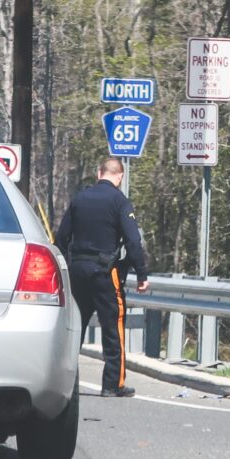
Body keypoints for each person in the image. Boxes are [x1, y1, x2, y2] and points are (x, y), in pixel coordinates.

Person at [55, 158, 150, 396]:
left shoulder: (79, 199)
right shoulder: (120, 201)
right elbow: (133, 241)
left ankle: (64, 383)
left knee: (74, 326)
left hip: (77, 271)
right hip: (106, 273)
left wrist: (63, 266)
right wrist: (141, 273)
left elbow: (62, 236)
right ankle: (112, 384)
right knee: (113, 327)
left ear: (99, 173)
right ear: (120, 176)